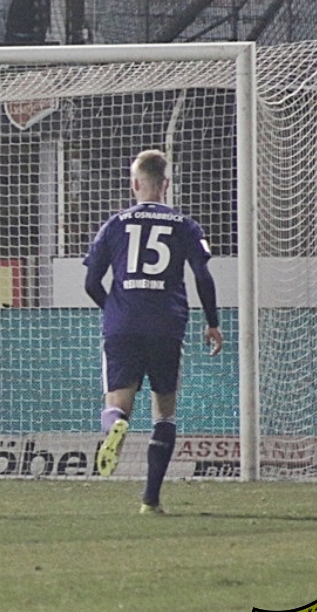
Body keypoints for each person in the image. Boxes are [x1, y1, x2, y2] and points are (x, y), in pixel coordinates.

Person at [84, 149, 223, 514]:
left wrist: (115, 309)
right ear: (167, 184)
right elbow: (202, 275)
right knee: (164, 413)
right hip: (167, 325)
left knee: (118, 404)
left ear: (134, 184)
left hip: (123, 325)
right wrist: (213, 322)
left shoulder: (114, 224)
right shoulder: (185, 226)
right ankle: (150, 499)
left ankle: (115, 428)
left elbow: (91, 281)